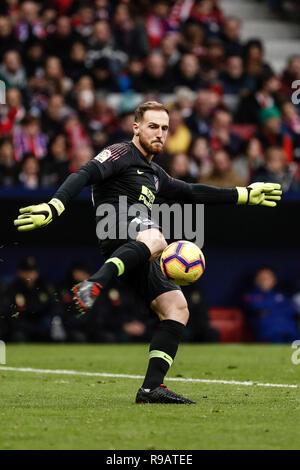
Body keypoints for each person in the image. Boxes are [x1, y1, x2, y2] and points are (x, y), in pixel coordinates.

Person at [14, 101, 282, 404]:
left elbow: (190, 191)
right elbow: (84, 173)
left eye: (165, 128)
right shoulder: (120, 153)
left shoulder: (154, 173)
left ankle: (151, 388)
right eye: (153, 126)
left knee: (177, 308)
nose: (160, 133)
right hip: (115, 228)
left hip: (136, 247)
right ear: (136, 127)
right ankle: (95, 282)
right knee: (157, 237)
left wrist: (243, 194)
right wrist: (55, 205)